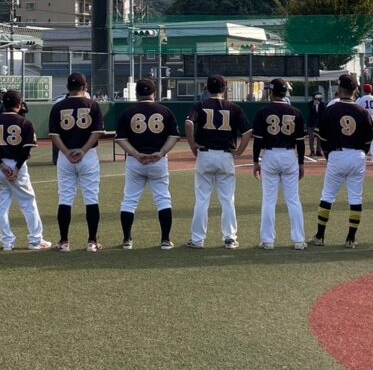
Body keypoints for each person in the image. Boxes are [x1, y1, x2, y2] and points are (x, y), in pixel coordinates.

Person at [185, 75, 251, 249]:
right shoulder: (234, 108)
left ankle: (197, 239)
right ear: (225, 89)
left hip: (205, 155)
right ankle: (230, 238)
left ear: (207, 88)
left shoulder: (200, 105)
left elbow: (189, 123)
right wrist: (239, 151)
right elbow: (247, 132)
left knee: (202, 199)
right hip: (225, 156)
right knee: (227, 199)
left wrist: (192, 144)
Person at [311, 74, 373, 248]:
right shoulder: (363, 112)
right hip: (357, 156)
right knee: (355, 198)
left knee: (327, 196)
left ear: (339, 90)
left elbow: (321, 137)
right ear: (355, 91)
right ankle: (351, 238)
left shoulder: (330, 110)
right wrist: (362, 153)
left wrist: (328, 154)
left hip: (337, 155)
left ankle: (320, 236)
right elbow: (370, 138)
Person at [114, 78, 179, 250]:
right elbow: (174, 136)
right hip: (158, 161)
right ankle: (165, 240)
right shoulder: (165, 111)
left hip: (135, 161)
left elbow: (120, 138)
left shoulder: (128, 112)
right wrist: (161, 152)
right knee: (163, 199)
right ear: (154, 93)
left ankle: (127, 240)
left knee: (129, 200)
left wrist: (136, 154)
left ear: (136, 94)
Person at [0, 90, 51, 251]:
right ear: (20, 104)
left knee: (1, 206)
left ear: (3, 103)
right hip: (17, 166)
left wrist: (1, 165)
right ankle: (35, 240)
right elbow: (27, 149)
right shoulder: (24, 122)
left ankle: (7, 242)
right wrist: (16, 168)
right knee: (28, 203)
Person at [49, 73, 105, 252]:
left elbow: (54, 135)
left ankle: (64, 242)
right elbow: (97, 132)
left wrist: (66, 152)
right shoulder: (93, 105)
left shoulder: (58, 106)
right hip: (88, 156)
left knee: (65, 198)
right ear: (85, 87)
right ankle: (92, 241)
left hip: (65, 156)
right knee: (91, 197)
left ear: (67, 88)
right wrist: (83, 150)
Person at [252, 78, 307, 250]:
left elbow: (257, 141)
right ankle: (299, 240)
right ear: (286, 92)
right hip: (289, 155)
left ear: (271, 92)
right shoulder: (296, 112)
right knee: (293, 200)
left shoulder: (263, 111)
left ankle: (268, 241)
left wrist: (255, 161)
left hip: (270, 155)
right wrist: (301, 163)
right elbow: (300, 142)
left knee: (269, 200)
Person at [355, 83, 373, 165]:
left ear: (363, 90)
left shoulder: (361, 99)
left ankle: (361, 159)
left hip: (364, 121)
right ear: (371, 90)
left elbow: (357, 110)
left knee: (362, 140)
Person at [307, 92, 324, 157]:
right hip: (311, 123)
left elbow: (322, 113)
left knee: (319, 137)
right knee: (311, 137)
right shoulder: (310, 103)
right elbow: (311, 111)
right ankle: (312, 151)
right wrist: (314, 105)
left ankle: (318, 151)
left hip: (319, 124)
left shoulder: (322, 104)